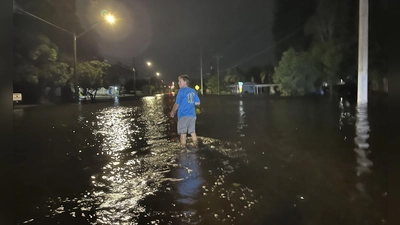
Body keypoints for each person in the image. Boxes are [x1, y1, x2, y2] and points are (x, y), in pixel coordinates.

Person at [170, 75, 200, 146]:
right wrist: (190, 103)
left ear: (185, 82)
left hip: (183, 116)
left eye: (180, 81)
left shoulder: (181, 91)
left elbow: (177, 104)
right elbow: (198, 103)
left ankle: (183, 151)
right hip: (192, 116)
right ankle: (196, 146)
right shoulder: (193, 91)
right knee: (193, 132)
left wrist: (173, 111)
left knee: (183, 134)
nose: (178, 83)